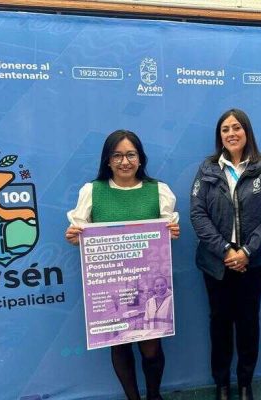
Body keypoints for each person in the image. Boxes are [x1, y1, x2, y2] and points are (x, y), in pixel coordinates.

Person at [65, 129, 180, 400]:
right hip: (110, 286)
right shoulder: (92, 191)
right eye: (117, 155)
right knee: (119, 344)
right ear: (107, 160)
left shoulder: (159, 191)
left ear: (140, 159)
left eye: (131, 155)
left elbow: (165, 234)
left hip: (150, 285)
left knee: (151, 347)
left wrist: (172, 232)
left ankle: (154, 396)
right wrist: (74, 237)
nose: (124, 161)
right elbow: (81, 235)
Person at [190, 109, 261, 400]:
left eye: (236, 127)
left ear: (247, 131)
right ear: (219, 135)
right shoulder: (207, 168)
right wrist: (225, 250)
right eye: (225, 129)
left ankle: (245, 384)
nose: (231, 133)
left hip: (253, 263)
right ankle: (221, 384)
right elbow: (197, 214)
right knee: (219, 323)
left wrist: (246, 251)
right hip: (215, 262)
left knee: (248, 322)